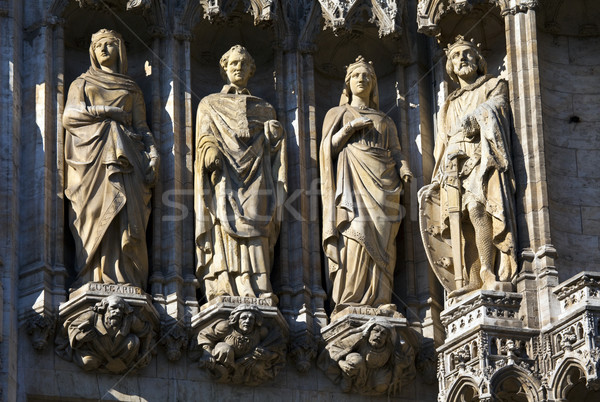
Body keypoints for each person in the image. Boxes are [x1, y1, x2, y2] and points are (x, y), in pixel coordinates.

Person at [418, 35, 517, 298]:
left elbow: (498, 107)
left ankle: (487, 270)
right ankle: (473, 277)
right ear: (449, 66)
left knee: (478, 210)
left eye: (467, 53)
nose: (461, 58)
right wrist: (435, 179)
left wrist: (476, 116)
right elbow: (443, 140)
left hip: (482, 157)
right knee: (461, 222)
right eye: (455, 56)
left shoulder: (494, 85)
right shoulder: (450, 103)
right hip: (455, 164)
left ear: (479, 60)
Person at [63, 29, 159, 290]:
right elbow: (70, 117)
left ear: (121, 50)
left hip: (129, 160)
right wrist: (108, 113)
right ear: (92, 52)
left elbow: (142, 128)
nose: (104, 50)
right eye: (98, 46)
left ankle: (126, 276)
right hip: (91, 160)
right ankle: (91, 275)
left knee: (127, 218)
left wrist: (153, 153)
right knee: (93, 213)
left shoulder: (132, 88)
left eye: (110, 45)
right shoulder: (81, 83)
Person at [320, 56, 413, 313]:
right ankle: (351, 297)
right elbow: (327, 149)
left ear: (374, 84)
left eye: (368, 76)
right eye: (357, 75)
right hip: (353, 183)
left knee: (385, 241)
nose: (363, 79)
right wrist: (349, 128)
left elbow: (396, 151)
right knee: (354, 233)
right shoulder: (337, 113)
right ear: (347, 83)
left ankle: (380, 298)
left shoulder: (385, 120)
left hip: (385, 185)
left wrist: (404, 168)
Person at [195, 45, 286, 303]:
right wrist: (209, 149)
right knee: (224, 224)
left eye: (244, 64)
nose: (238, 68)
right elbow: (204, 135)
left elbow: (274, 151)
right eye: (233, 63)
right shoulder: (210, 104)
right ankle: (225, 281)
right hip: (224, 173)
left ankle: (259, 284)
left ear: (252, 70)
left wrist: (274, 136)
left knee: (258, 224)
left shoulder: (265, 108)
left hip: (257, 175)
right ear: (224, 68)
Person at [317, 317, 415, 396]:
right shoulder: (360, 338)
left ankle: (367, 385)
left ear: (387, 338)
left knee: (381, 387)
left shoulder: (391, 347)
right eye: (376, 331)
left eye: (383, 333)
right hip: (358, 366)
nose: (379, 335)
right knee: (356, 361)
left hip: (377, 371)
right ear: (369, 331)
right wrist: (341, 363)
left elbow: (401, 361)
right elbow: (335, 348)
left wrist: (396, 377)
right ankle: (347, 378)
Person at [197, 304, 286, 385]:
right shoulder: (225, 326)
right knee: (224, 350)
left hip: (249, 364)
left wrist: (268, 355)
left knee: (259, 367)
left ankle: (245, 376)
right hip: (226, 361)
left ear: (255, 321)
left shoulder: (261, 332)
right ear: (237, 319)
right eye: (244, 318)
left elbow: (277, 347)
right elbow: (204, 335)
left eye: (251, 319)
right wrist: (207, 353)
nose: (247, 321)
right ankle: (228, 371)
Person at [65, 295, 152, 373]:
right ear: (105, 308)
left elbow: (147, 331)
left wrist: (144, 351)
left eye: (120, 309)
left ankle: (122, 365)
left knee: (134, 341)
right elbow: (73, 327)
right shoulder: (93, 315)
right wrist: (81, 337)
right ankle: (107, 364)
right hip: (95, 351)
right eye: (113, 308)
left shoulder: (129, 319)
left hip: (119, 351)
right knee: (88, 363)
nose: (117, 311)